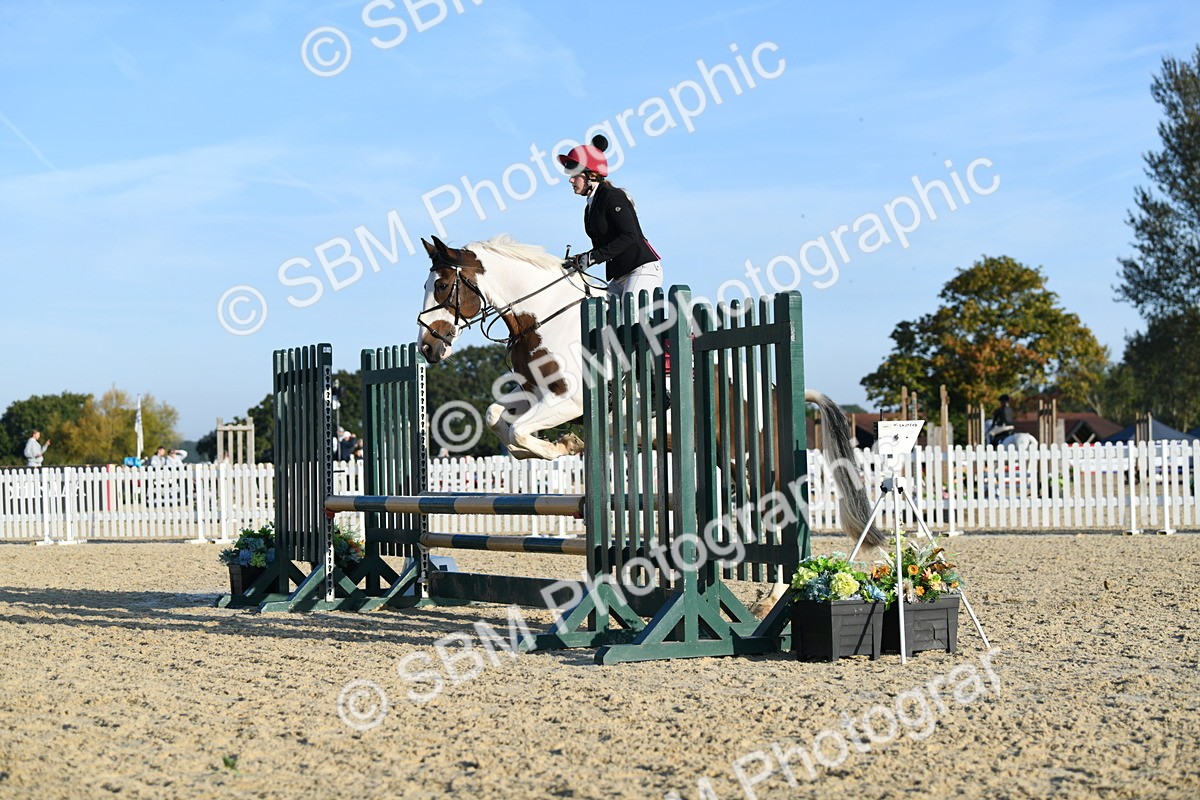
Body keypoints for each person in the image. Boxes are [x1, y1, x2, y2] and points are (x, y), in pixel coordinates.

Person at [558, 135, 662, 299]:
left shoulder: (612, 196)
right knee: (601, 320)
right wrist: (580, 259)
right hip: (619, 276)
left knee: (627, 320)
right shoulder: (590, 207)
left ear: (591, 175)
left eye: (575, 174)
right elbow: (603, 248)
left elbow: (629, 236)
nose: (571, 179)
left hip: (641, 270)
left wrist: (591, 258)